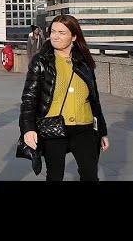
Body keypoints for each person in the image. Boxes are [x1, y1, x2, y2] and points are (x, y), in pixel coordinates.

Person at [19, 14, 109, 181]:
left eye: (61, 32)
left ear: (74, 36)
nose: (55, 36)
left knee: (90, 175)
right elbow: (29, 97)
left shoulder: (84, 61)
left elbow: (94, 99)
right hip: (54, 127)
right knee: (55, 176)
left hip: (85, 127)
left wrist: (102, 131)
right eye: (53, 31)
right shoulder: (41, 60)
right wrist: (28, 128)